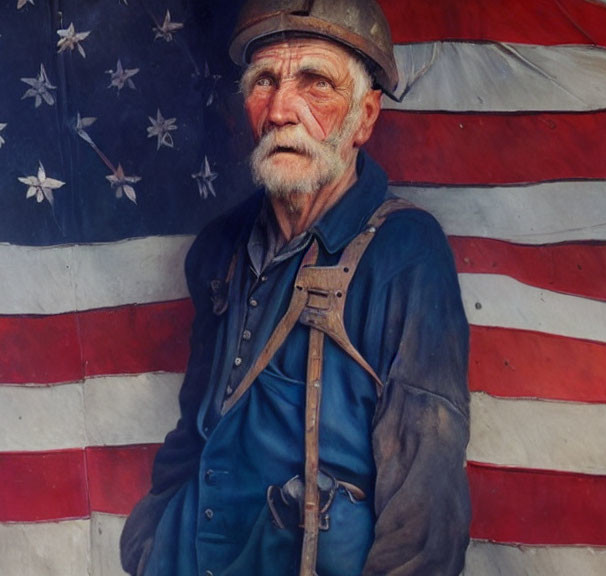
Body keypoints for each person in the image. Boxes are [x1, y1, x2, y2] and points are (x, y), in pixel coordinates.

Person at [121, 1, 470, 574]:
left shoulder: (407, 254)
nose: (281, 108)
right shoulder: (220, 247)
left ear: (364, 118)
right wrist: (149, 543)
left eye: (316, 83)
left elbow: (425, 506)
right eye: (264, 81)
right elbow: (196, 426)